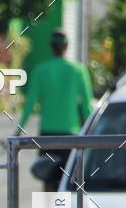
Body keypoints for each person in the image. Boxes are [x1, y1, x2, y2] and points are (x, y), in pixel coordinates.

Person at [17, 28, 94, 190]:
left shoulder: (41, 69)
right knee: (66, 181)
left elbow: (30, 103)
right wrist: (92, 131)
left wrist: (19, 129)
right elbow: (87, 107)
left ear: (51, 46)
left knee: (47, 178)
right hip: (71, 134)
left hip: (47, 134)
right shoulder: (78, 70)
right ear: (67, 46)